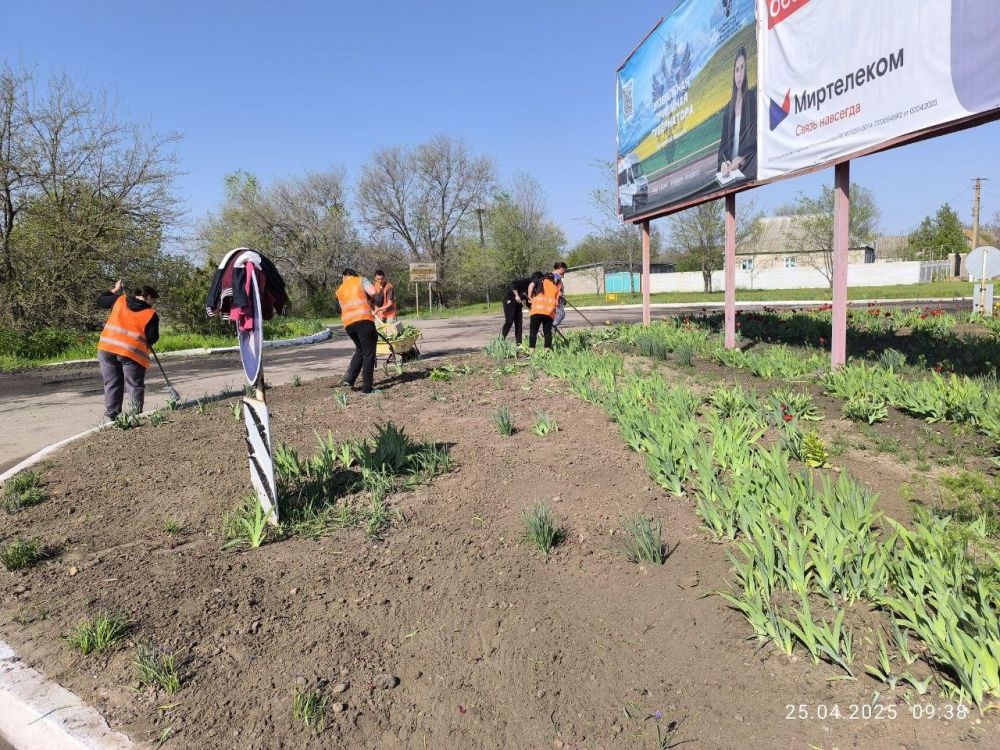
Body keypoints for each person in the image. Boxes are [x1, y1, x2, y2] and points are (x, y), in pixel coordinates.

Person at [96, 280, 160, 419]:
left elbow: (101, 300)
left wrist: (115, 289)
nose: (153, 303)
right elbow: (152, 337)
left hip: (107, 348)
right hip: (131, 353)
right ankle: (134, 416)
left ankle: (111, 417)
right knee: (134, 385)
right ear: (148, 297)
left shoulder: (119, 300)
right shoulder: (151, 314)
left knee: (112, 383)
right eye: (153, 300)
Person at [335, 268, 379, 394]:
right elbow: (373, 291)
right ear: (354, 275)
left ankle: (349, 379)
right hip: (364, 321)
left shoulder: (339, 290)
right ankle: (367, 389)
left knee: (360, 350)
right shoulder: (360, 280)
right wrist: (371, 301)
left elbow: (343, 306)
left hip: (349, 325)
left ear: (344, 276)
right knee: (368, 353)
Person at [717, 46, 757, 183]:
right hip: (729, 175)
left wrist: (743, 158)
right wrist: (723, 163)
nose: (739, 74)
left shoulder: (753, 99)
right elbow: (723, 146)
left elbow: (757, 139)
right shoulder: (728, 109)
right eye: (737, 69)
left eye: (742, 68)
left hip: (747, 169)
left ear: (746, 71)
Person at [528, 272, 559, 349]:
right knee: (547, 332)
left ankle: (532, 351)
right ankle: (547, 352)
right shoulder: (555, 287)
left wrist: (529, 297)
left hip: (537, 310)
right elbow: (557, 300)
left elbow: (531, 285)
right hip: (549, 312)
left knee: (533, 332)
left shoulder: (540, 281)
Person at [501, 275, 531, 345]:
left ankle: (519, 344)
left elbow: (527, 301)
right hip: (509, 301)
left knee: (519, 324)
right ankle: (501, 340)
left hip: (518, 305)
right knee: (509, 322)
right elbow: (513, 284)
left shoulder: (534, 288)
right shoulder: (527, 282)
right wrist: (517, 295)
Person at [552, 262, 568, 329]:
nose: (565, 271)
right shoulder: (556, 276)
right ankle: (550, 328)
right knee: (561, 314)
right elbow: (553, 286)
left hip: (555, 299)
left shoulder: (552, 275)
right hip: (557, 299)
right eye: (565, 270)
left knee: (555, 316)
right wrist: (559, 292)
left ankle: (551, 331)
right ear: (561, 268)